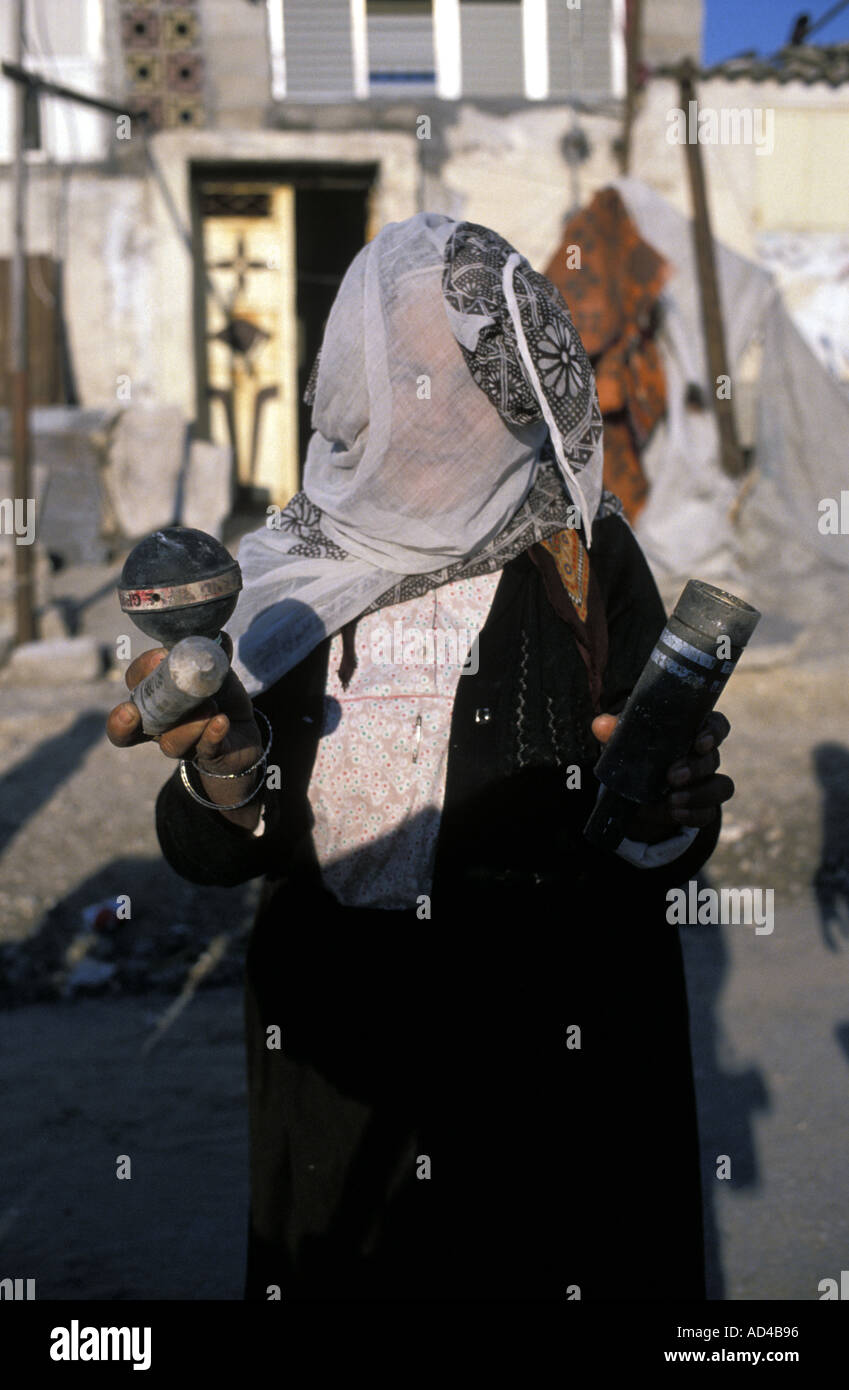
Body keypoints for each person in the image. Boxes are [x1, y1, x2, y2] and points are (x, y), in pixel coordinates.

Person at [107, 213, 734, 1302]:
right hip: (340, 1059)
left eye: (475, 374)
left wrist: (670, 803)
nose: (447, 405)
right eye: (410, 373)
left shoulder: (585, 557)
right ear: (361, 385)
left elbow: (658, 821)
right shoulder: (287, 578)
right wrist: (220, 775)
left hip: (556, 1057)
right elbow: (208, 849)